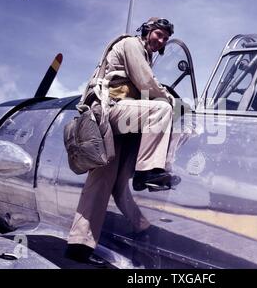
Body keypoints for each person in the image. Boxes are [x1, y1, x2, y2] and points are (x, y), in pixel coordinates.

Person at [64, 17, 178, 267]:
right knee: (161, 109)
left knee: (103, 182)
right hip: (111, 113)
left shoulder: (145, 53)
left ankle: (79, 246)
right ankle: (147, 171)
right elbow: (146, 83)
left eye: (165, 39)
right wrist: (173, 101)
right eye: (159, 34)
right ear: (147, 31)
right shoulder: (131, 44)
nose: (161, 41)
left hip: (118, 122)